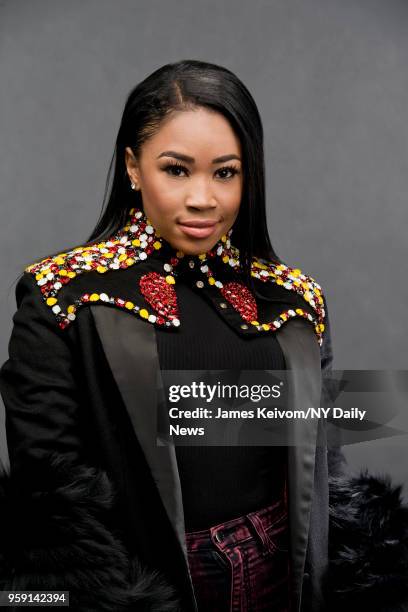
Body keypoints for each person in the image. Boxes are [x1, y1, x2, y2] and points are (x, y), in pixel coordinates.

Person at [0, 59, 407, 612]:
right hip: (149, 583)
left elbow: (321, 449)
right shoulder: (60, 295)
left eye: (225, 172)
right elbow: (50, 496)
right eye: (176, 169)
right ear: (132, 166)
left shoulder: (292, 294)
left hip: (282, 569)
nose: (203, 198)